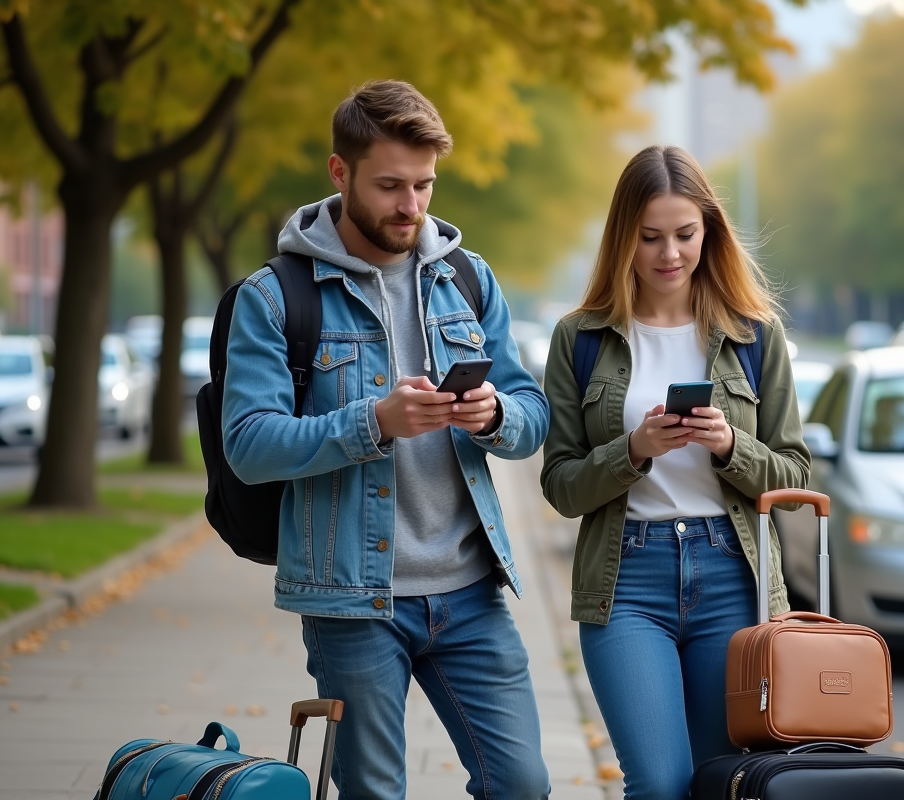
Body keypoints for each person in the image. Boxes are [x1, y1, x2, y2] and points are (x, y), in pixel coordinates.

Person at [222, 80, 551, 800]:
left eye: (425, 185)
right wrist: (372, 423)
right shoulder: (275, 297)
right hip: (352, 601)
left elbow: (534, 413)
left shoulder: (467, 278)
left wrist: (496, 416)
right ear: (340, 174)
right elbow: (248, 444)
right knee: (375, 795)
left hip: (470, 591)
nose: (411, 206)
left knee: (523, 785)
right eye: (391, 186)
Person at [539, 145, 811, 800]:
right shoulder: (580, 337)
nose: (669, 254)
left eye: (685, 235)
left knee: (723, 782)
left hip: (731, 576)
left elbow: (796, 477)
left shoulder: (754, 334)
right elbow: (560, 486)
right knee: (660, 784)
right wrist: (633, 449)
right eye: (650, 237)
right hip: (625, 581)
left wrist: (729, 446)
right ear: (623, 238)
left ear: (708, 232)